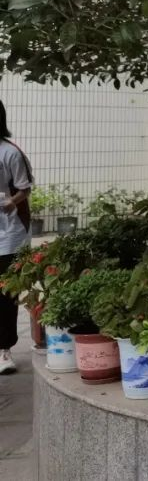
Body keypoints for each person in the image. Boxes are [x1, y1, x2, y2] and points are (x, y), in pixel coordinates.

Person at [0, 99, 33, 375]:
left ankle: (4, 350)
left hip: (8, 235)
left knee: (5, 294)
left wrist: (12, 201)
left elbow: (25, 188)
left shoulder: (10, 153)